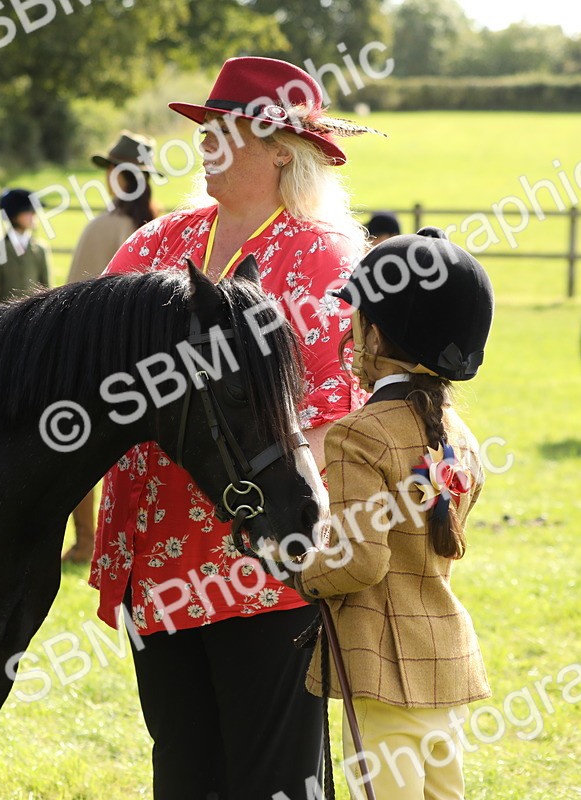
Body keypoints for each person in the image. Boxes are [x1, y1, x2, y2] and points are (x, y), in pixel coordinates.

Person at [88, 56, 382, 799]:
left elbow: (329, 423)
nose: (204, 143)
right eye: (206, 128)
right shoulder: (153, 245)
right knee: (183, 770)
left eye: (225, 130)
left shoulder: (327, 260)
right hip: (154, 563)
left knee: (272, 777)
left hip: (264, 569)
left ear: (282, 148)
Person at [284, 229, 495, 800]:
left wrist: (297, 571)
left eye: (357, 321)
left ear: (375, 335)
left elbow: (361, 559)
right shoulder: (461, 435)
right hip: (443, 655)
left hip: (382, 665)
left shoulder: (359, 433)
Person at [63, 131, 162, 563]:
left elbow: (69, 299)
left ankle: (87, 540)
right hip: (155, 365)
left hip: (98, 361)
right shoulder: (162, 228)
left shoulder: (102, 228)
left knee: (75, 451)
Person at [0, 187, 51, 301]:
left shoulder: (40, 249)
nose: (34, 215)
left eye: (34, 211)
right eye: (29, 211)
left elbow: (47, 289)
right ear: (13, 215)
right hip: (5, 316)